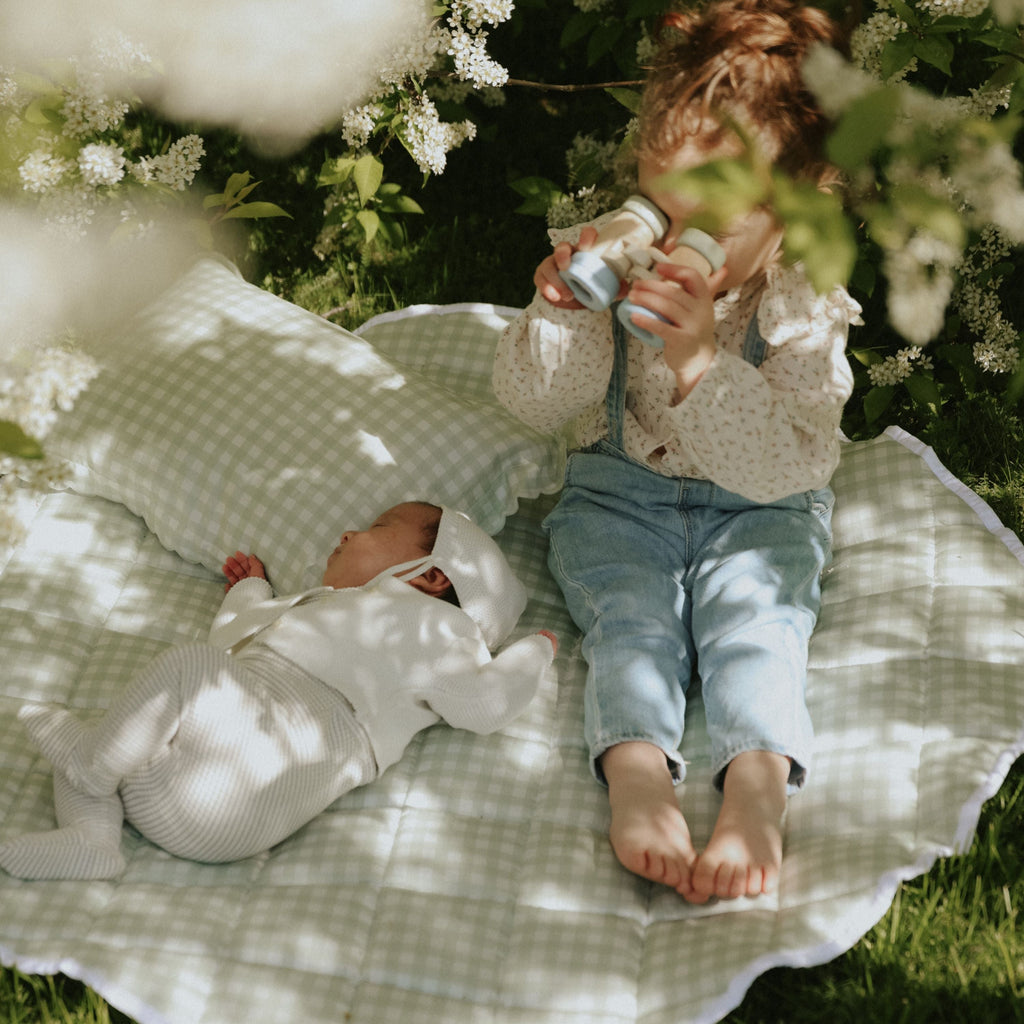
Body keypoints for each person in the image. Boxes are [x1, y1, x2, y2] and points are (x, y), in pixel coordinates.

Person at [493, 0, 861, 903]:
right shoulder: (612, 259)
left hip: (758, 509)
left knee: (757, 630)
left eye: (711, 227)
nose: (672, 247)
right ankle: (638, 778)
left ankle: (756, 790)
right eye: (660, 211)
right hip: (621, 492)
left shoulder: (799, 299)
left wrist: (700, 362)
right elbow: (532, 403)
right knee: (630, 623)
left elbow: (791, 465)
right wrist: (564, 313)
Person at [0, 502, 557, 880]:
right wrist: (250, 589)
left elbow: (485, 702)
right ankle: (92, 838)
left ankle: (88, 771)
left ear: (432, 574)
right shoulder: (325, 605)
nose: (347, 533)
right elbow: (233, 639)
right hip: (199, 800)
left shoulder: (445, 633)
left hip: (249, 790)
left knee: (170, 683)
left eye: (378, 525)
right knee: (124, 729)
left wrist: (534, 653)